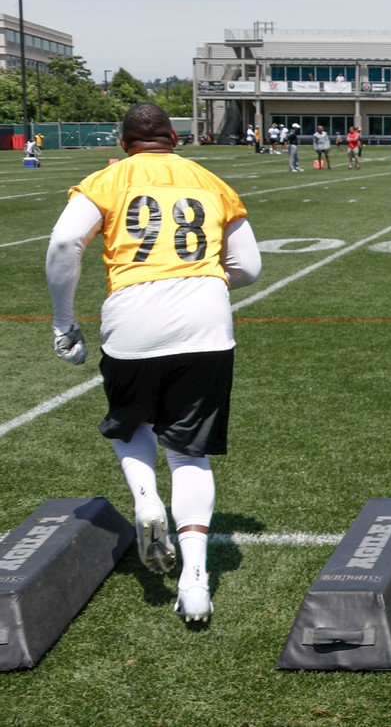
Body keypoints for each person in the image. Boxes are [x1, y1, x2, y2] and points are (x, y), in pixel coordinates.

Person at [44, 102, 262, 624]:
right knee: (190, 453)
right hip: (207, 321)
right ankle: (195, 577)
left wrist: (62, 320)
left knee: (130, 426)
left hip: (134, 317)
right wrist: (198, 282)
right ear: (174, 139)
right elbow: (249, 267)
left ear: (124, 143)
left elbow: (64, 242)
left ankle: (146, 499)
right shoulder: (209, 179)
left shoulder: (106, 179)